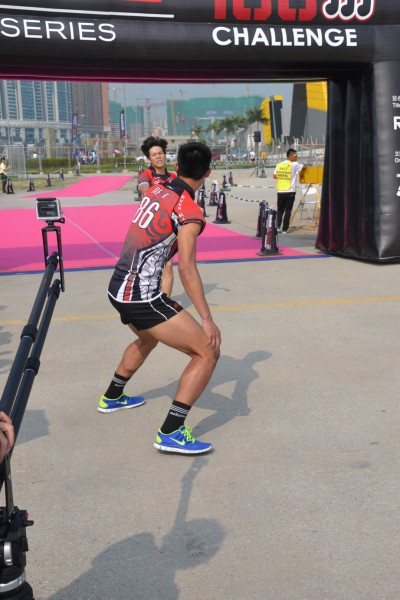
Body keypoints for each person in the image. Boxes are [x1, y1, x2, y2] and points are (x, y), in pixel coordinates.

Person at [99, 142, 221, 455]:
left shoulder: (157, 188)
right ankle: (172, 431)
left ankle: (112, 396)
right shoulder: (189, 211)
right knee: (207, 352)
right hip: (140, 295)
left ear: (176, 167)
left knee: (148, 337)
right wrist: (207, 319)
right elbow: (187, 268)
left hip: (117, 286)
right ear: (208, 172)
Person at [137, 136, 177, 296]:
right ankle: (147, 297)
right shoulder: (146, 175)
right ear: (149, 159)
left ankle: (165, 300)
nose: (158, 157)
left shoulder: (173, 177)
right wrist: (148, 192)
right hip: (150, 228)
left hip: (169, 228)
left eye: (160, 153)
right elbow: (143, 186)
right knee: (149, 267)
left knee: (168, 265)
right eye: (154, 155)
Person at [273, 148, 304, 233]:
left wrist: (283, 176)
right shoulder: (294, 164)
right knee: (288, 210)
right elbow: (304, 168)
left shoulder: (279, 165)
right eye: (295, 155)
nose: (296, 157)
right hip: (290, 191)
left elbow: (274, 176)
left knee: (280, 210)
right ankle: (285, 229)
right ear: (289, 156)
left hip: (280, 191)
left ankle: (278, 227)